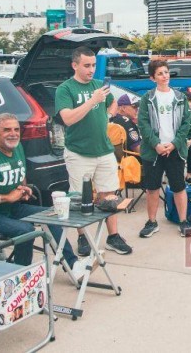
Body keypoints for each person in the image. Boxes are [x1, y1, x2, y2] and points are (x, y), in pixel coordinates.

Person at [0, 113, 84, 277]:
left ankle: (72, 264)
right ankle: (19, 277)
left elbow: (20, 172)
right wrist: (5, 198)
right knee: (26, 230)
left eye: (16, 129)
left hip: (12, 207)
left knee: (52, 215)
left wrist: (23, 189)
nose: (13, 133)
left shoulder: (16, 147)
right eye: (7, 130)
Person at [55, 46, 133, 256]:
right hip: (78, 152)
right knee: (80, 197)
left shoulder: (99, 85)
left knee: (109, 194)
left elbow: (113, 102)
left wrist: (107, 115)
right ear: (75, 65)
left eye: (93, 65)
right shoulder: (65, 89)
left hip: (104, 150)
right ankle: (82, 237)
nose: (91, 70)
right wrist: (92, 101)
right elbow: (67, 119)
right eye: (86, 65)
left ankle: (113, 236)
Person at [136, 60, 191, 238]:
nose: (164, 76)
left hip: (175, 149)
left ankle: (183, 221)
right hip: (153, 151)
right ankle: (152, 222)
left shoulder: (180, 97)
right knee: (152, 188)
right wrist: (156, 144)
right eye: (160, 73)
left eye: (166, 72)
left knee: (179, 186)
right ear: (152, 78)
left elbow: (186, 122)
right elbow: (143, 124)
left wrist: (175, 143)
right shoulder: (147, 98)